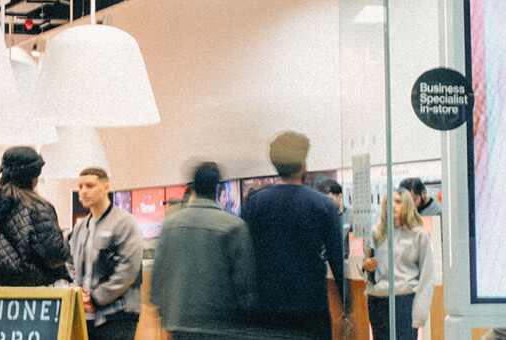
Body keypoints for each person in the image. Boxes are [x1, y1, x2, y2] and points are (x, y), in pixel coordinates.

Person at [243, 131, 350, 339]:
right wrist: (348, 304)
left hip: (269, 306)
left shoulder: (257, 203)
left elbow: (248, 256)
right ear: (302, 163)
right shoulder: (324, 205)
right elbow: (336, 259)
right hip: (311, 306)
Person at [149, 162, 257, 340]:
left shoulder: (170, 224)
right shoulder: (234, 226)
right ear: (218, 188)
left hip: (179, 322)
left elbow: (159, 273)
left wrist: (163, 310)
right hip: (220, 324)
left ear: (193, 187)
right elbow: (244, 282)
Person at [0, 146, 72, 287]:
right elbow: (54, 256)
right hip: (37, 291)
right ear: (34, 177)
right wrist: (65, 243)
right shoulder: (40, 207)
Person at [68, 167, 145, 340]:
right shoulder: (80, 227)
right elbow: (71, 263)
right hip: (86, 315)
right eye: (80, 187)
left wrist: (96, 298)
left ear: (105, 188)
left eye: (90, 186)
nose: (83, 192)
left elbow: (129, 269)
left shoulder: (125, 223)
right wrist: (79, 293)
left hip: (118, 315)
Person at [361, 184, 437, 340]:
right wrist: (366, 268)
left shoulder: (419, 235)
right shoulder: (377, 232)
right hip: (378, 301)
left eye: (398, 201)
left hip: (404, 301)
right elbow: (366, 271)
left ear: (407, 204)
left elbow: (427, 276)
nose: (393, 206)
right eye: (389, 202)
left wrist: (420, 314)